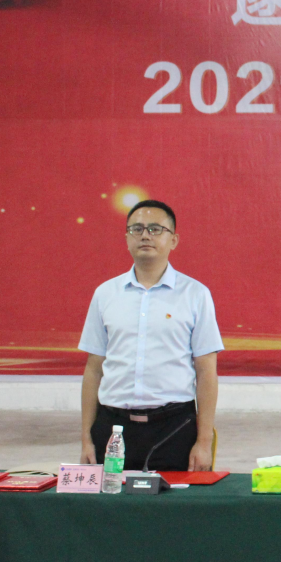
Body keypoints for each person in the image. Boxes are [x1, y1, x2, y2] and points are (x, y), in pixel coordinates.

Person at [78, 200, 222, 472]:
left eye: (155, 229)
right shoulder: (105, 294)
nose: (145, 235)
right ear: (126, 238)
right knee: (109, 500)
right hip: (112, 429)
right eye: (137, 229)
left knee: (174, 500)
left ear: (173, 240)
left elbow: (206, 372)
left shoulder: (196, 295)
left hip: (174, 428)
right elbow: (93, 369)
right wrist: (86, 438)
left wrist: (203, 442)